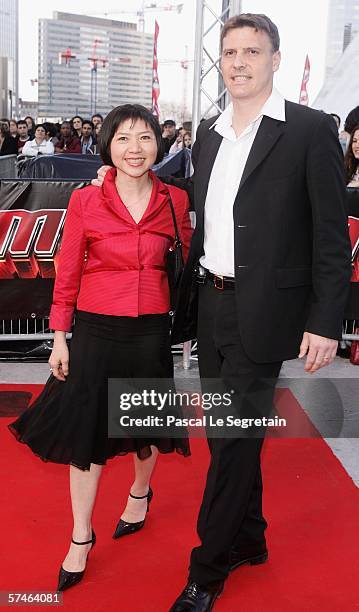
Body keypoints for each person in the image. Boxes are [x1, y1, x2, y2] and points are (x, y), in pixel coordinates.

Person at [93, 13, 351, 611]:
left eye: (252, 52)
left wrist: (324, 322)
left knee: (233, 438)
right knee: (231, 433)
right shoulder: (208, 132)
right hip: (211, 305)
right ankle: (250, 538)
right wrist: (117, 175)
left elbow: (331, 241)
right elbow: (182, 204)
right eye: (230, 51)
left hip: (268, 311)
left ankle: (206, 571)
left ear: (276, 59)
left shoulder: (310, 130)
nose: (239, 62)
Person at [9, 103, 191, 593]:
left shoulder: (175, 200)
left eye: (146, 137)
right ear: (107, 146)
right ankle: (81, 535)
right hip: (94, 328)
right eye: (124, 138)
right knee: (87, 436)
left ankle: (139, 492)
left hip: (151, 329)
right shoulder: (86, 201)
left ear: (160, 143)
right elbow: (67, 272)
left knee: (144, 425)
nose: (136, 149)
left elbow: (187, 259)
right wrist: (60, 337)